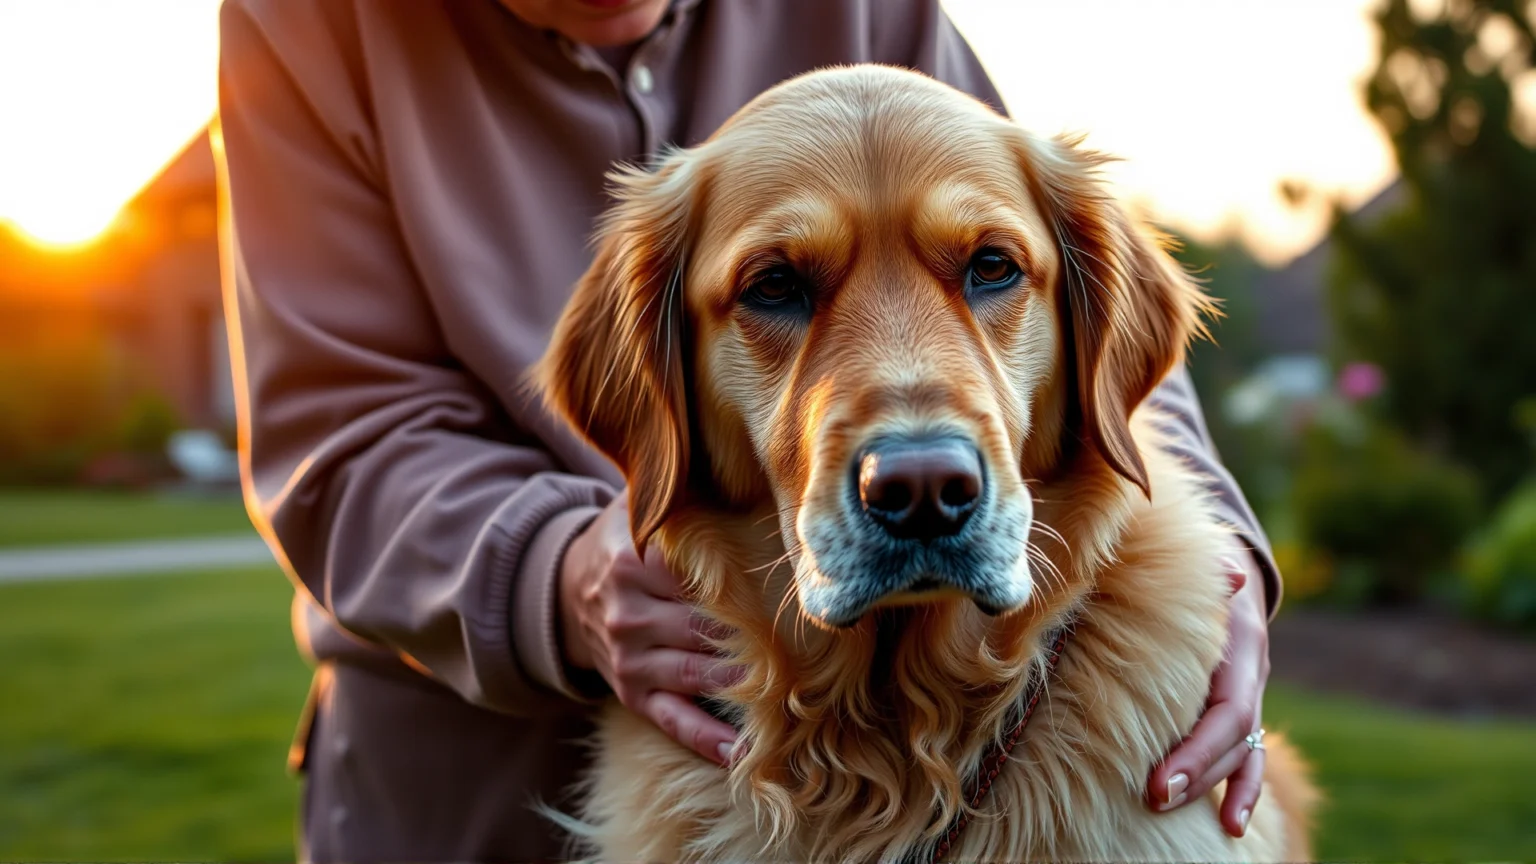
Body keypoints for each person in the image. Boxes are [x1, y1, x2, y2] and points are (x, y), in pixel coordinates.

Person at [216, 1, 1281, 860]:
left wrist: (1221, 561)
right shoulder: (303, 24)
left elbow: (1089, 321)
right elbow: (343, 430)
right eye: (776, 285)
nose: (914, 455)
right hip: (467, 782)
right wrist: (556, 576)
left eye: (984, 271)